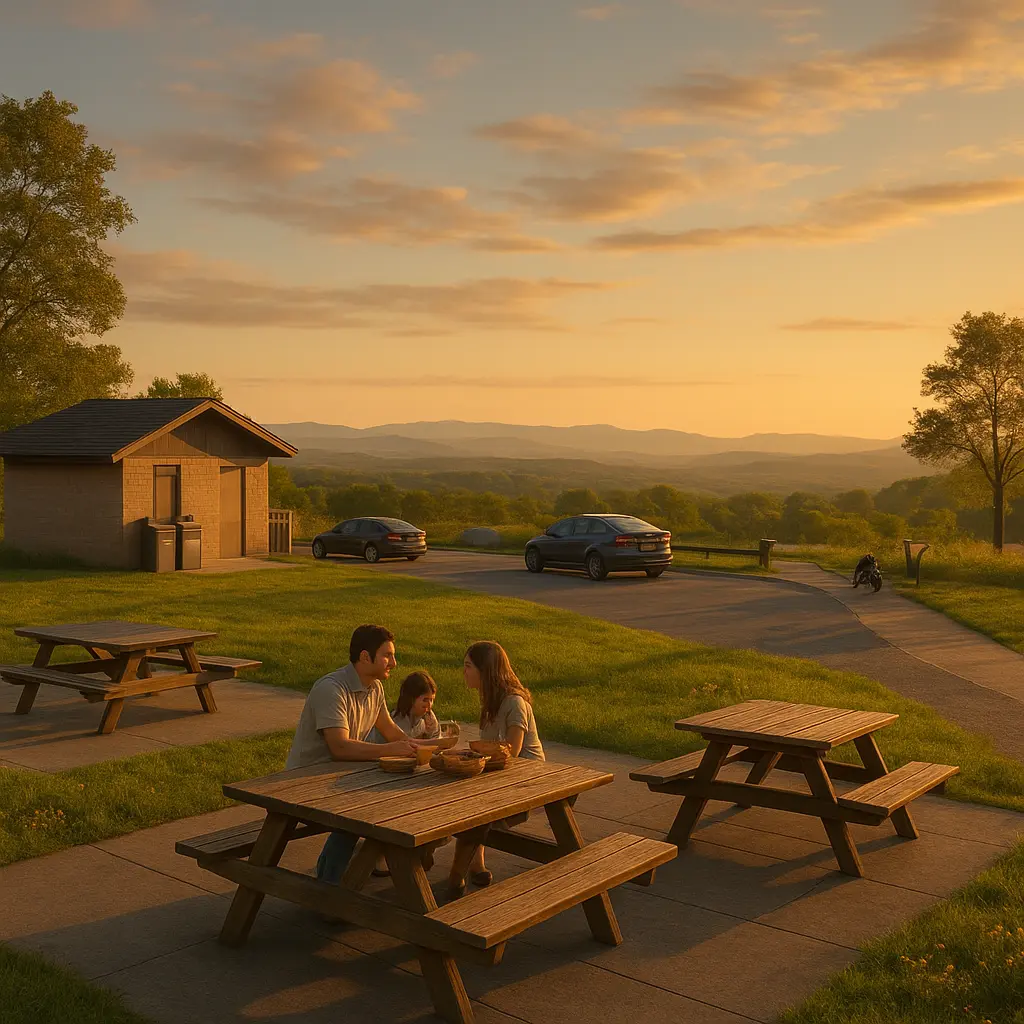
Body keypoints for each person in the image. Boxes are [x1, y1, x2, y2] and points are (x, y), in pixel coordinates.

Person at [285, 624, 423, 885]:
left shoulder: (374, 687)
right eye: (387, 655)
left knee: (407, 793)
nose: (394, 662)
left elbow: (389, 730)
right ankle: (329, 886)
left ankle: (386, 860)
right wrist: (388, 750)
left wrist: (422, 747)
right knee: (360, 811)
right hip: (305, 781)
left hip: (343, 774)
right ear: (364, 657)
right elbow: (340, 747)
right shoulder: (331, 689)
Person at [448, 640, 544, 899]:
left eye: (468, 666)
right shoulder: (490, 700)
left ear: (486, 670)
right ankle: (473, 863)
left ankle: (456, 877)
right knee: (455, 795)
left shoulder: (514, 702)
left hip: (526, 780)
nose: (464, 672)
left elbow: (511, 750)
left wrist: (475, 758)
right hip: (500, 775)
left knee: (475, 811)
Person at [367, 670, 442, 878]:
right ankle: (382, 855)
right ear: (411, 698)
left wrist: (433, 732)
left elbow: (434, 745)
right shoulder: (397, 719)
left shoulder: (425, 718)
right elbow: (405, 748)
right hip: (384, 771)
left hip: (408, 771)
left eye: (432, 700)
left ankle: (422, 848)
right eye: (425, 700)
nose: (429, 705)